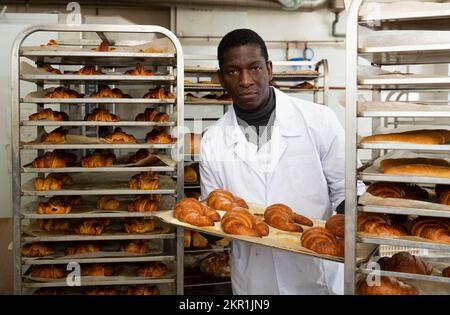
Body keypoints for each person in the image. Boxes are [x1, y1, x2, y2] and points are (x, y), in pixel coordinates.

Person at [199, 28, 345, 295]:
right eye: (233, 71)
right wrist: (205, 225)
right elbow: (216, 215)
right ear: (221, 79)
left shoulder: (320, 121)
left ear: (269, 69)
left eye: (254, 68)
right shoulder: (212, 141)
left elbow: (345, 194)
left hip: (316, 275)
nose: (245, 81)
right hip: (255, 281)